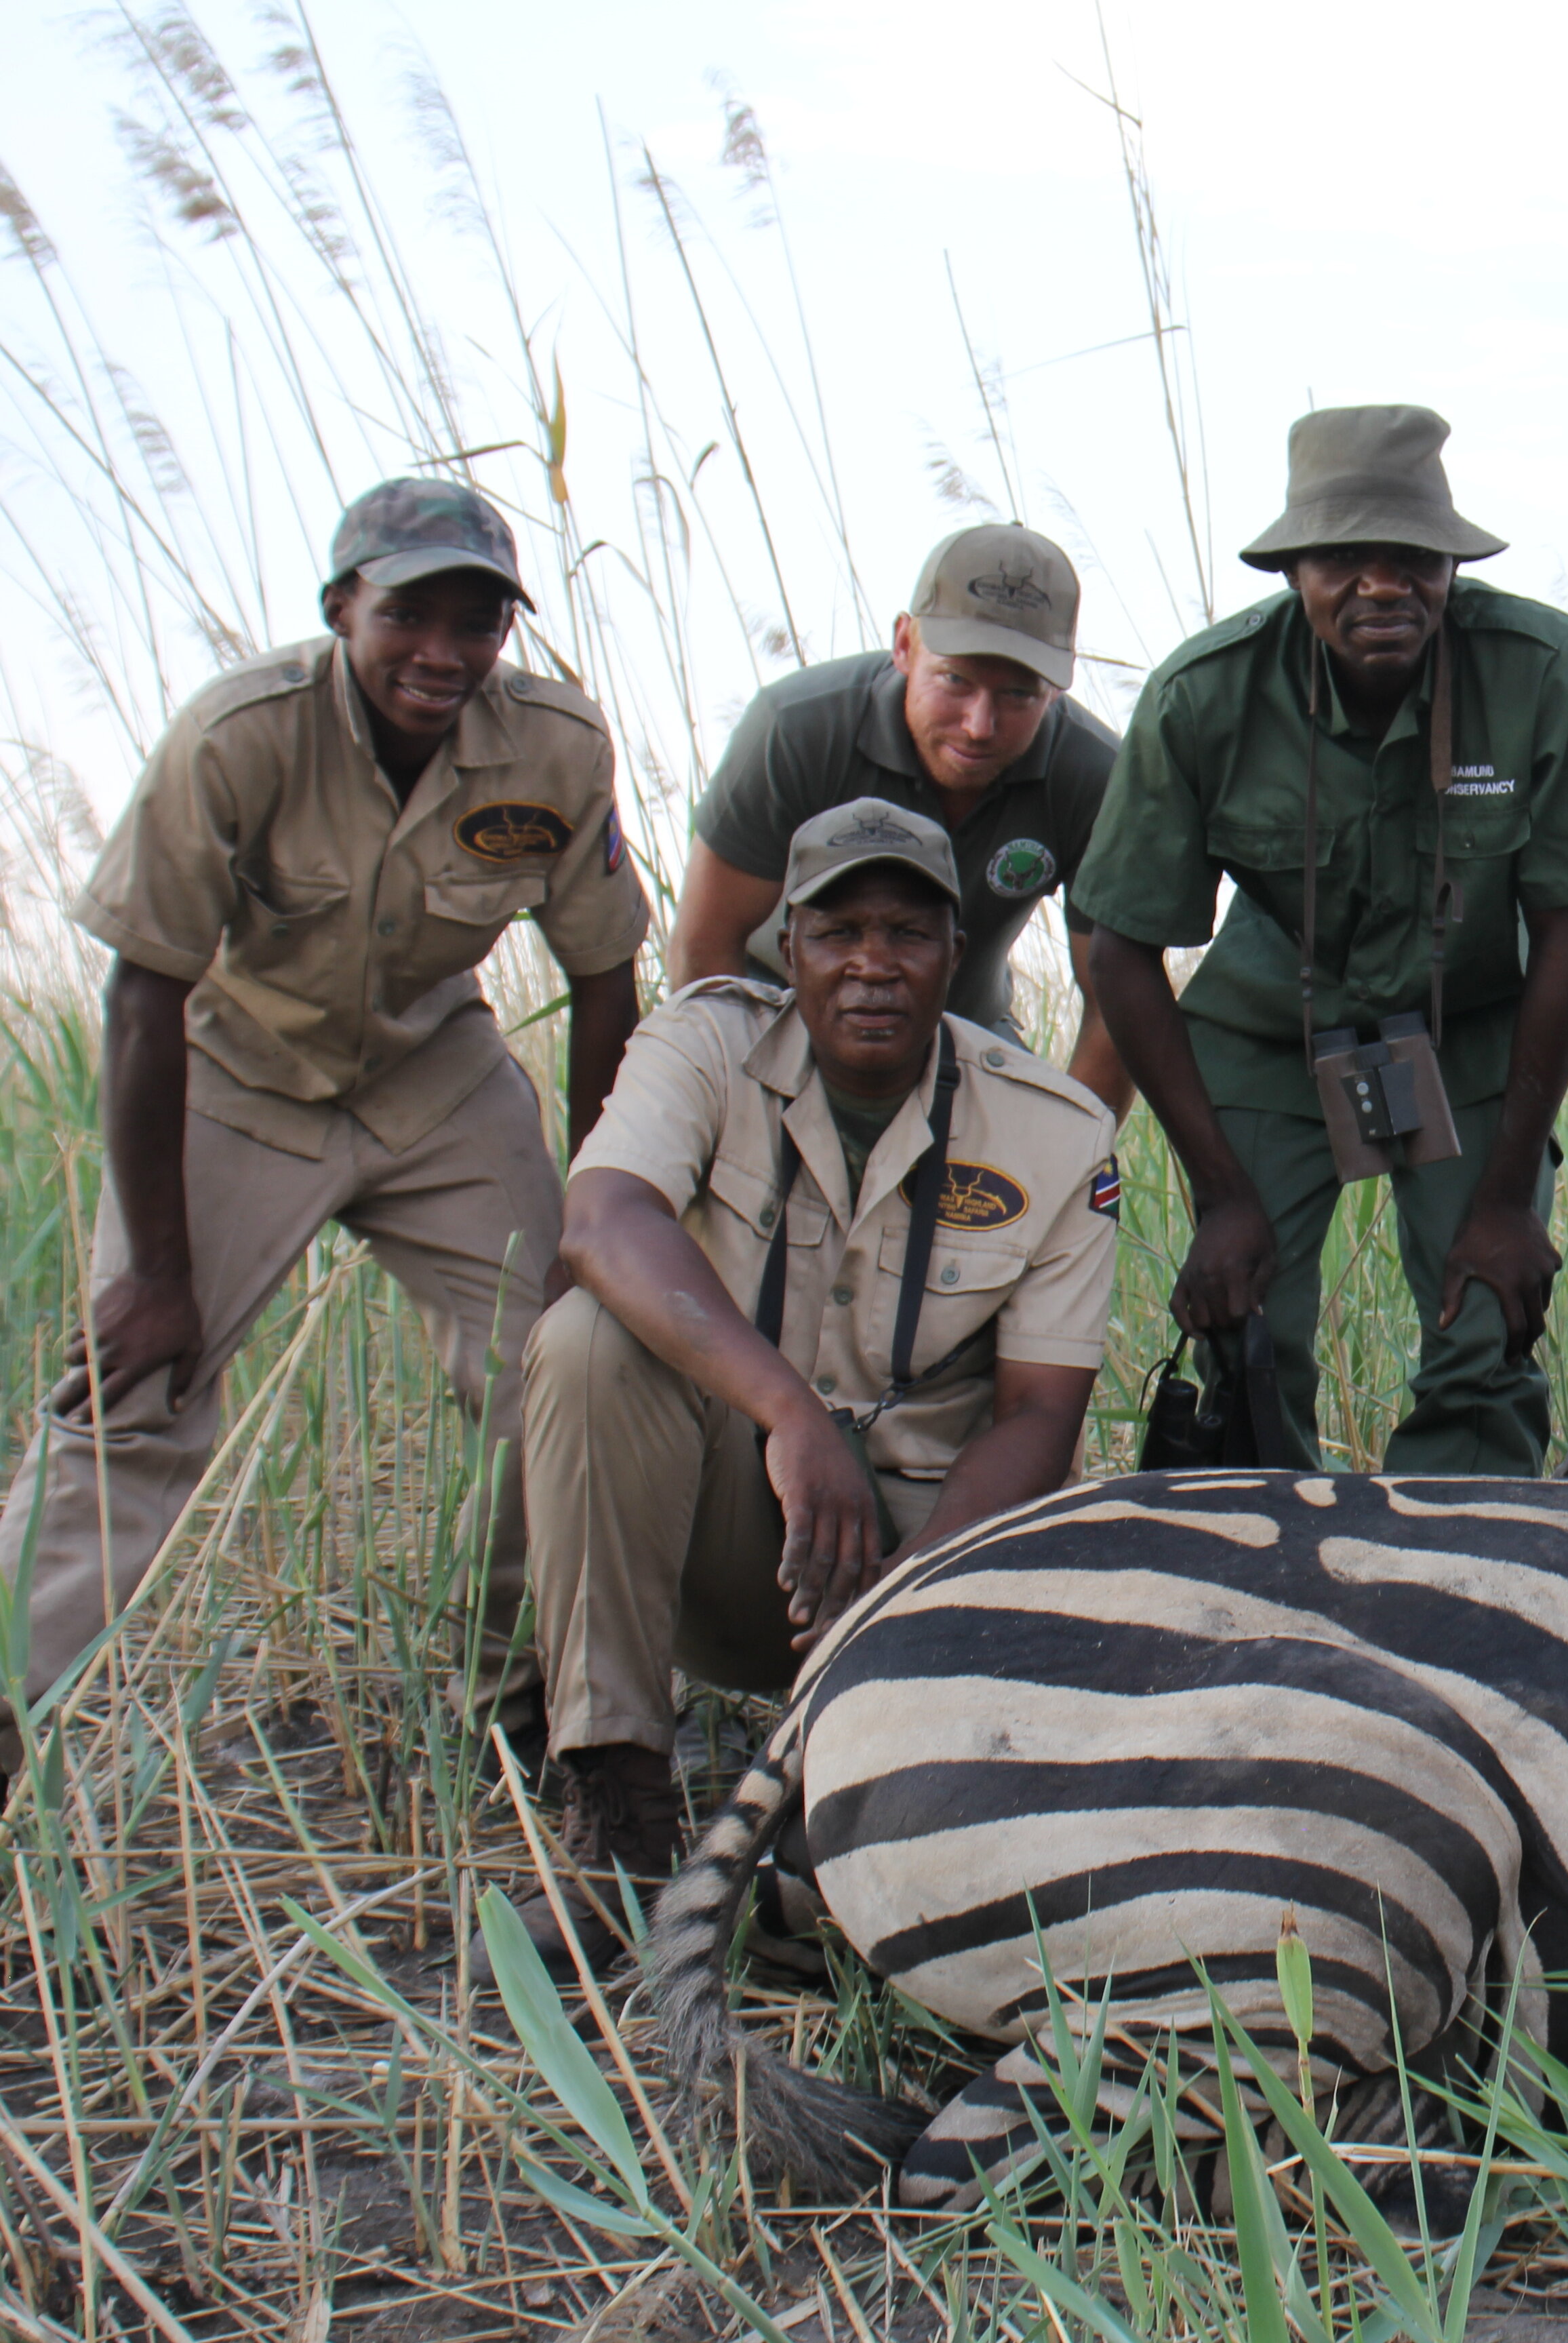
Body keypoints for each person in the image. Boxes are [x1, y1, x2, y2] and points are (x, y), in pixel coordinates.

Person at [3, 478, 648, 1774]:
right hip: (234, 1076)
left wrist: (601, 1208)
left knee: (556, 1372)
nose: (444, 653)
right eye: (410, 613)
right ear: (342, 607)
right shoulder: (240, 734)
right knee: (134, 1399)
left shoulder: (557, 748)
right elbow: (144, 994)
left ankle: (512, 1706)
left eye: (478, 622)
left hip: (435, 1077)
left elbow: (602, 981)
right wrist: (162, 1280)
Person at [518, 799, 1119, 1959]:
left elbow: (1040, 1411)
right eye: (838, 932)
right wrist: (789, 1414)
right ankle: (619, 1811)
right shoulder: (701, 1042)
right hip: (740, 1527)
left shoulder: (1058, 1131)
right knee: (586, 1341)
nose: (872, 966)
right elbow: (599, 1220)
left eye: (907, 933)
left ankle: (852, 1777)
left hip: (927, 1551)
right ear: (784, 948)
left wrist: (899, 1607)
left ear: (958, 953)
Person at [1077, 405, 1568, 1475]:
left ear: (1452, 565)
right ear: (1296, 567)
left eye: (1415, 559)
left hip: (1478, 1026)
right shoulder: (1202, 695)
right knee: (1240, 1325)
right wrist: (1220, 1195)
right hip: (1271, 1025)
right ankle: (1268, 1571)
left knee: (1489, 1319)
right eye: (1345, 558)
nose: (1383, 586)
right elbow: (1120, 952)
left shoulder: (1544, 669)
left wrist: (1502, 1199)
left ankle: (1455, 1578)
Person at [675, 526, 1129, 1111]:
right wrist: (737, 1112)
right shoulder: (794, 729)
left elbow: (1116, 1002)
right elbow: (703, 948)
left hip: (960, 1033)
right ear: (904, 645)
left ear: (1056, 689)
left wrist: (1067, 1159)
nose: (979, 725)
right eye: (955, 681)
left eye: (1019, 695)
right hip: (777, 1017)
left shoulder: (1097, 779)